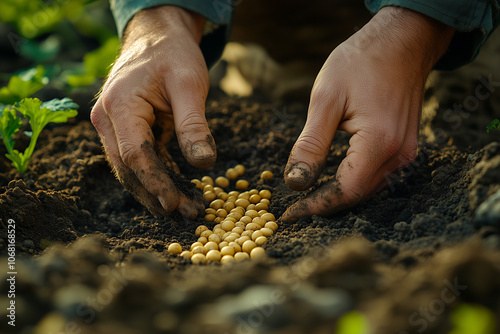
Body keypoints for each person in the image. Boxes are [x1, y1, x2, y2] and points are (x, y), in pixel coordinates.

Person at [90, 0, 500, 221]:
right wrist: (161, 14)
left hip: (466, 20)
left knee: (463, 117)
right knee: (286, 94)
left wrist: (420, 26)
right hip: (279, 27)